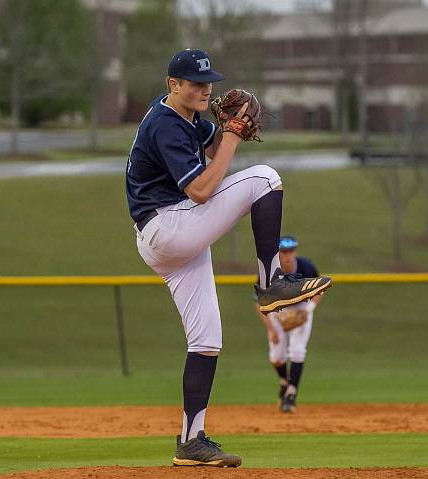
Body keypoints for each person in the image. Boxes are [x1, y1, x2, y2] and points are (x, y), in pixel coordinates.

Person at [125, 49, 331, 467]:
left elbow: (212, 150)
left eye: (208, 82)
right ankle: (270, 282)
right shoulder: (165, 125)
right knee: (265, 179)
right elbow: (200, 190)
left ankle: (190, 442)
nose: (206, 90)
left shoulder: (181, 118)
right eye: (196, 83)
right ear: (173, 85)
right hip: (169, 226)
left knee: (206, 341)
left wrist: (224, 130)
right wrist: (233, 135)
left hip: (173, 236)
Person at [256, 235, 323, 413]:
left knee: (297, 351)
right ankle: (284, 381)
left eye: (291, 251)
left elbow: (318, 291)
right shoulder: (269, 271)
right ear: (278, 253)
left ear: (295, 251)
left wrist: (308, 311)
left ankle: (291, 395)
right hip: (277, 310)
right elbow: (260, 303)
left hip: (301, 307)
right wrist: (271, 330)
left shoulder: (306, 267)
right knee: (277, 356)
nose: (287, 255)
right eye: (284, 251)